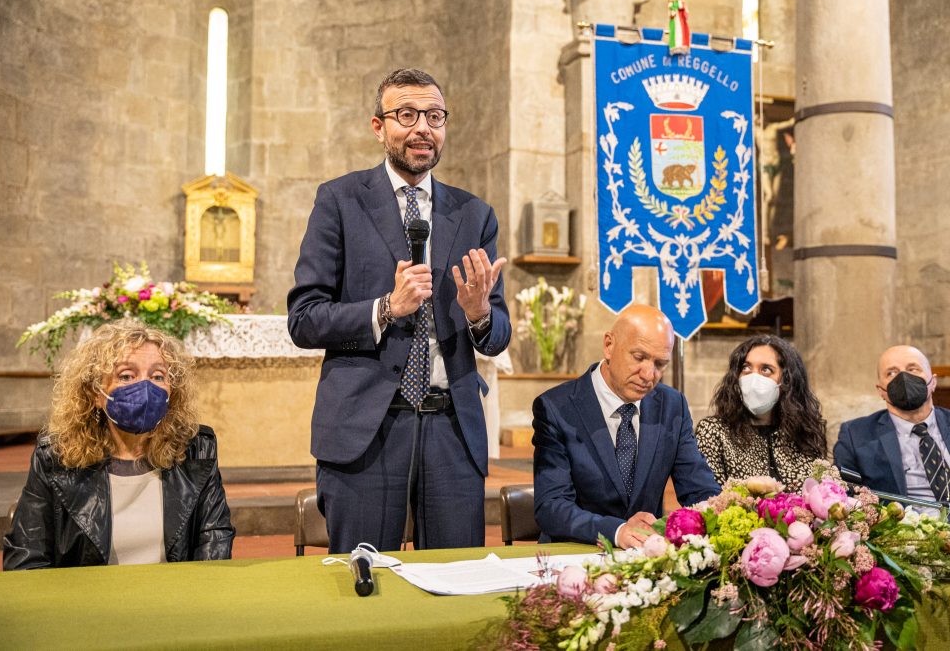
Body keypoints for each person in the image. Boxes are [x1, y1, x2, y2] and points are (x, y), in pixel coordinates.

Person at [287, 68, 511, 552]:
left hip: (451, 430)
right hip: (368, 427)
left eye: (434, 116)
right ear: (378, 126)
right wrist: (387, 307)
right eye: (406, 115)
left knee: (457, 581)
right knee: (364, 586)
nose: (422, 128)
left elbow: (497, 335)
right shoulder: (340, 201)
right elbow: (304, 319)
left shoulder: (474, 215)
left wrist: (478, 315)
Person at [4, 320, 235, 569]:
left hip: (174, 602)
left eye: (158, 376)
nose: (145, 388)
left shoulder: (196, 451)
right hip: (87, 602)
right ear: (96, 394)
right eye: (126, 375)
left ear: (172, 390)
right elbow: (26, 559)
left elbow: (214, 545)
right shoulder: (56, 457)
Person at [533, 304, 720, 548]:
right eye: (639, 357)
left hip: (646, 559)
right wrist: (617, 531)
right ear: (609, 345)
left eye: (660, 364)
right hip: (576, 551)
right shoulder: (557, 407)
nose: (648, 374)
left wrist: (725, 514)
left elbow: (699, 491)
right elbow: (551, 507)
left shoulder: (672, 406)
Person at [834, 345, 950, 518]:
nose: (903, 377)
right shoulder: (855, 435)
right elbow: (846, 501)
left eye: (913, 369)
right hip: (909, 537)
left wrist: (945, 521)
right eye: (891, 373)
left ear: (933, 382)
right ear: (881, 390)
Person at [694, 335, 828, 492]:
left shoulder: (803, 433)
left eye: (766, 369)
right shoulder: (714, 431)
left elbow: (819, 494)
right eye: (746, 368)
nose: (753, 377)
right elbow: (709, 499)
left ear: (786, 381)